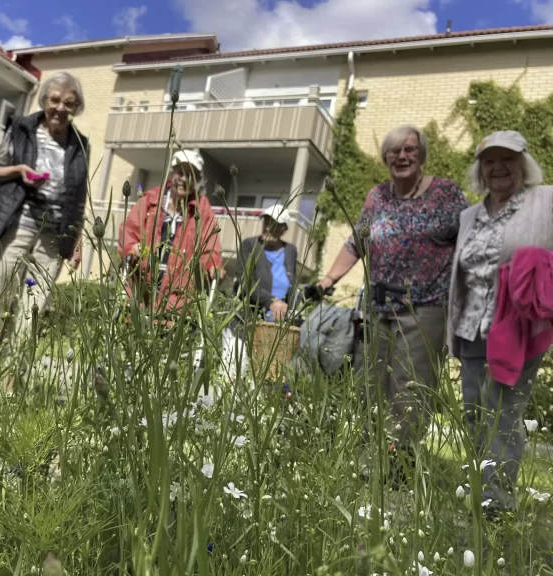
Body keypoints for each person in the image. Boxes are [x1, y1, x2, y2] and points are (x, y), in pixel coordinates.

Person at [317, 125, 469, 469]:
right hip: (377, 307)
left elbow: (470, 240)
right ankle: (368, 464)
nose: (402, 156)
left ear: (422, 155)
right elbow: (356, 243)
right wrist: (326, 280)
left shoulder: (444, 193)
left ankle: (397, 468)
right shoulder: (377, 197)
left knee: (409, 388)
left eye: (410, 149)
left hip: (425, 307)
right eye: (394, 151)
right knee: (369, 386)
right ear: (385, 158)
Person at [448, 130, 553, 517]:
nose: (498, 168)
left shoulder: (546, 201)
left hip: (518, 329)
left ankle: (496, 504)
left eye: (506, 159)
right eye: (489, 161)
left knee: (504, 414)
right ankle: (478, 487)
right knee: (475, 411)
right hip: (472, 327)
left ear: (523, 164)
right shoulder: (469, 216)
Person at [0, 71, 89, 347]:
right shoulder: (22, 129)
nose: (60, 108)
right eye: (55, 100)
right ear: (44, 100)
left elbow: (80, 196)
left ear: (76, 108)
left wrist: (77, 237)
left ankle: (12, 381)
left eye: (69, 103)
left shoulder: (81, 145)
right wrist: (18, 170)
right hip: (18, 224)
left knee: (33, 310)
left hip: (54, 236)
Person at [118, 149, 222, 318]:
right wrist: (132, 247)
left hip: (177, 296)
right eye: (180, 172)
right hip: (141, 287)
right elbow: (128, 230)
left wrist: (212, 265)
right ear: (172, 173)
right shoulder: (150, 200)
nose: (184, 179)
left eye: (190, 175)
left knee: (167, 336)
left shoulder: (202, 209)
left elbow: (210, 245)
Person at [220, 204, 300, 380]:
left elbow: (292, 286)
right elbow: (245, 282)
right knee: (233, 374)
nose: (268, 227)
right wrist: (270, 300)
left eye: (274, 223)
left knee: (268, 378)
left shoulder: (290, 251)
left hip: (273, 329)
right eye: (266, 221)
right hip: (244, 321)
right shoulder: (250, 245)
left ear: (283, 228)